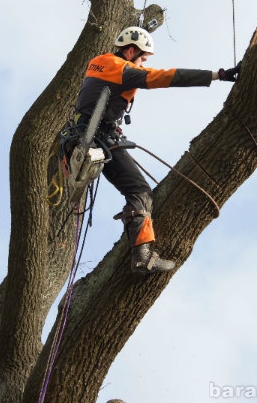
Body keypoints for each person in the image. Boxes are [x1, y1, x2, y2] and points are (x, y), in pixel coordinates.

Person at [74, 26, 241, 275]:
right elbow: (167, 76)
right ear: (130, 51)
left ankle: (138, 247)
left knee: (136, 188)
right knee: (140, 191)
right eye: (142, 58)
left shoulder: (99, 63)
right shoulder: (121, 69)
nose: (143, 64)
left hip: (86, 136)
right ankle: (142, 256)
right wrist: (218, 75)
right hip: (97, 139)